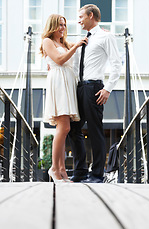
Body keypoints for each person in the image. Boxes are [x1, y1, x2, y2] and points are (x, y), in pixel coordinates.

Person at [68, 4, 122, 183]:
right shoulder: (83, 39)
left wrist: (108, 89)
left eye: (81, 16)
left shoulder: (106, 37)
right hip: (80, 88)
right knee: (73, 129)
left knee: (95, 129)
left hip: (94, 88)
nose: (79, 20)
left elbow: (116, 64)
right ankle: (81, 171)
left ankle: (98, 174)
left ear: (91, 15)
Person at [40, 14, 88, 183]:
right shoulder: (48, 41)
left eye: (64, 25)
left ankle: (62, 171)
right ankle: (54, 168)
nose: (62, 28)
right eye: (60, 25)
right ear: (52, 25)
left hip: (68, 83)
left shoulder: (64, 43)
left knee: (64, 128)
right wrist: (76, 46)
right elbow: (59, 60)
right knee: (64, 128)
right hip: (59, 83)